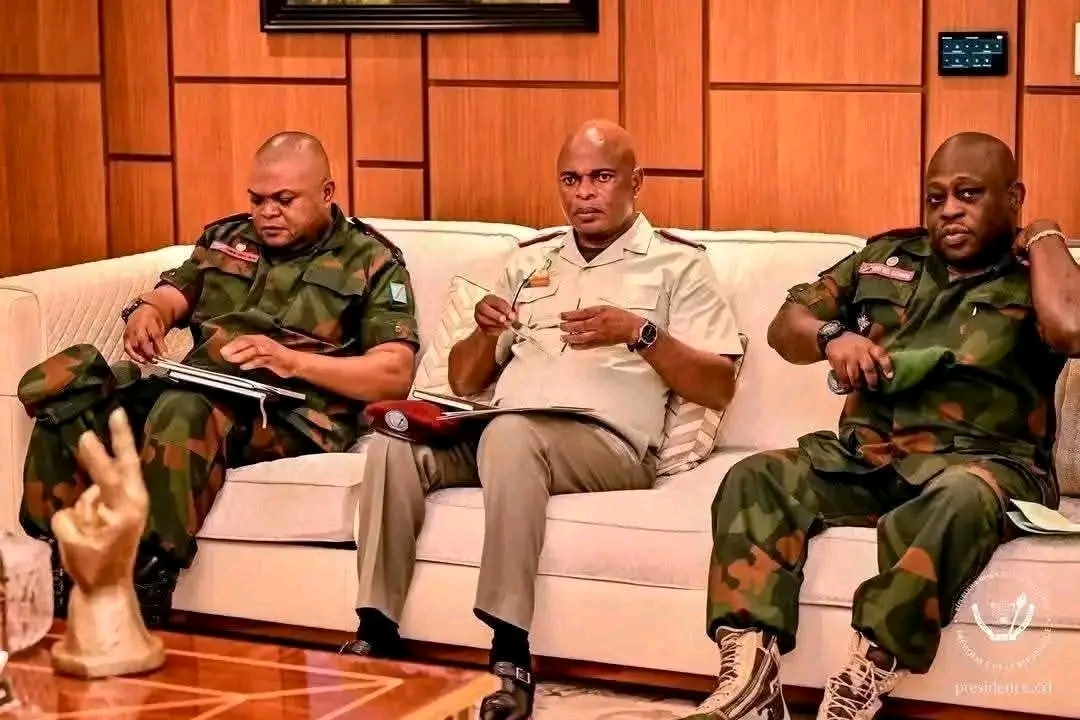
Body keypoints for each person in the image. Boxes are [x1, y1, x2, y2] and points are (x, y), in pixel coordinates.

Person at [343, 119, 744, 719]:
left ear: (636, 182)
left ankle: (510, 652)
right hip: (504, 433)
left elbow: (717, 385)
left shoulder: (677, 265)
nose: (584, 193)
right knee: (393, 443)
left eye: (601, 178)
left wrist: (638, 332)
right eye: (571, 180)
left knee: (510, 435)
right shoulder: (530, 262)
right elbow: (465, 382)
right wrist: (484, 333)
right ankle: (376, 630)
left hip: (608, 445)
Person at [681, 131, 1080, 720]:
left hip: (985, 466)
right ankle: (752, 683)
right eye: (936, 197)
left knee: (958, 498)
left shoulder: (1036, 273)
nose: (949, 210)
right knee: (755, 476)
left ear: (1013, 197)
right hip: (868, 459)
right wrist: (831, 337)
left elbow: (1071, 328)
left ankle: (864, 675)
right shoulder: (886, 257)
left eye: (969, 194)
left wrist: (1045, 233)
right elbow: (785, 325)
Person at [18, 131, 420, 627]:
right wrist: (149, 312)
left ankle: (147, 583)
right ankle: (54, 569)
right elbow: (174, 293)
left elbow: (393, 373)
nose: (267, 213)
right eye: (257, 199)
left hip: (294, 412)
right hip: (204, 385)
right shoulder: (226, 239)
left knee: (181, 410)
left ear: (327, 192)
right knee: (75, 400)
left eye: (284, 200)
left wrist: (292, 361)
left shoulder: (372, 261)